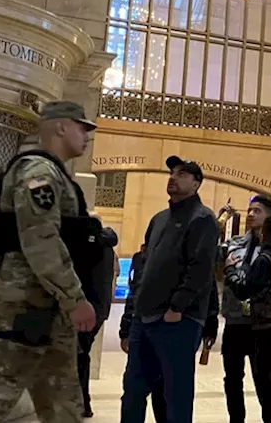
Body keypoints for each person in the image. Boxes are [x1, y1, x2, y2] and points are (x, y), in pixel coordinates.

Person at [0, 101, 99, 423]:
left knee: (64, 403)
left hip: (49, 305)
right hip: (28, 304)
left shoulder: (55, 175)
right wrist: (74, 297)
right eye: (82, 127)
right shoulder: (38, 172)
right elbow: (40, 240)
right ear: (60, 127)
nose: (87, 136)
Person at [119, 156, 220, 423]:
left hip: (178, 321)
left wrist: (177, 307)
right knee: (133, 389)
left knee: (175, 394)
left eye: (183, 174)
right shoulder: (159, 219)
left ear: (197, 184)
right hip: (145, 317)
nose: (174, 177)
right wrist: (130, 319)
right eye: (172, 173)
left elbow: (200, 269)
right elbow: (144, 269)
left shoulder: (203, 219)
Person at [221, 195, 271, 423]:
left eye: (258, 211)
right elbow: (213, 257)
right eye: (250, 211)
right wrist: (221, 220)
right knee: (232, 380)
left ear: (270, 217)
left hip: (263, 324)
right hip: (236, 322)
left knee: (266, 384)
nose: (251, 215)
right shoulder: (235, 243)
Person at [118, 244, 167, 422]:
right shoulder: (141, 258)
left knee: (165, 394)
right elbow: (134, 294)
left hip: (171, 330)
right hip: (142, 327)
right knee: (133, 390)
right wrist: (125, 329)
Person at [77, 220, 118, 418]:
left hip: (86, 310)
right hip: (99, 310)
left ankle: (82, 403)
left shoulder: (88, 248)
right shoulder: (108, 248)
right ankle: (83, 403)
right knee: (81, 354)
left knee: (78, 356)